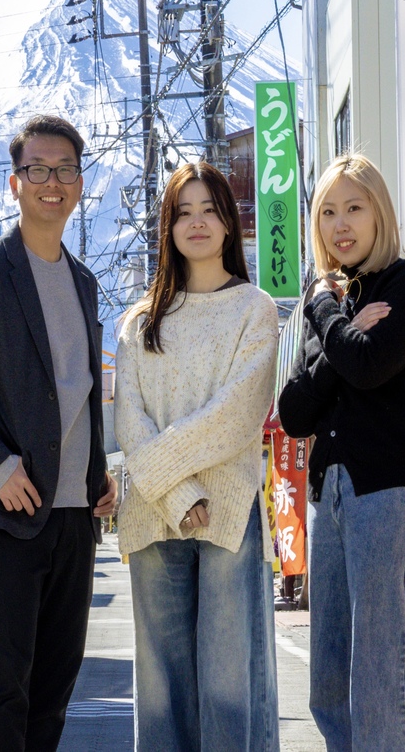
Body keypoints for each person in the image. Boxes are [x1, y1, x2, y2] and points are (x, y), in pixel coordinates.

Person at [0, 114, 118, 752]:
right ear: (15, 183)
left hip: (73, 520)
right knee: (5, 692)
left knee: (56, 691)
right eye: (38, 169)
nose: (51, 181)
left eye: (64, 169)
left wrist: (98, 475)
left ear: (80, 183)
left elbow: (79, 396)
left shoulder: (86, 285)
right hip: (7, 516)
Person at [278, 153, 405, 751]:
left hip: (392, 493)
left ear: (380, 213)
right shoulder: (335, 303)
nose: (339, 224)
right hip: (335, 496)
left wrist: (325, 314)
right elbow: (295, 412)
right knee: (329, 678)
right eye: (326, 211)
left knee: (380, 677)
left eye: (354, 207)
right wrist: (341, 332)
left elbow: (369, 367)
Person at [115, 161, 280, 751]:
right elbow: (128, 422)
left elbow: (235, 417)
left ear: (230, 224)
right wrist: (182, 494)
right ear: (167, 228)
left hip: (229, 513)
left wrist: (189, 490)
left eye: (210, 208)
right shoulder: (139, 320)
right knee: (160, 688)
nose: (198, 222)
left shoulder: (256, 309)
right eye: (183, 212)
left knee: (228, 683)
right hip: (154, 513)